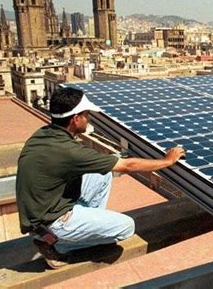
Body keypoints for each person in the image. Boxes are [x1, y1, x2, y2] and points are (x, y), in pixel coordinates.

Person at [16, 87, 185, 269]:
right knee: (126, 227)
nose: (89, 118)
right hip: (51, 222)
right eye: (87, 114)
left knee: (102, 174)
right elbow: (127, 166)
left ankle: (87, 229)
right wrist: (166, 161)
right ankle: (57, 244)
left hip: (40, 210)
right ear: (76, 119)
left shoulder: (44, 133)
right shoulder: (69, 151)